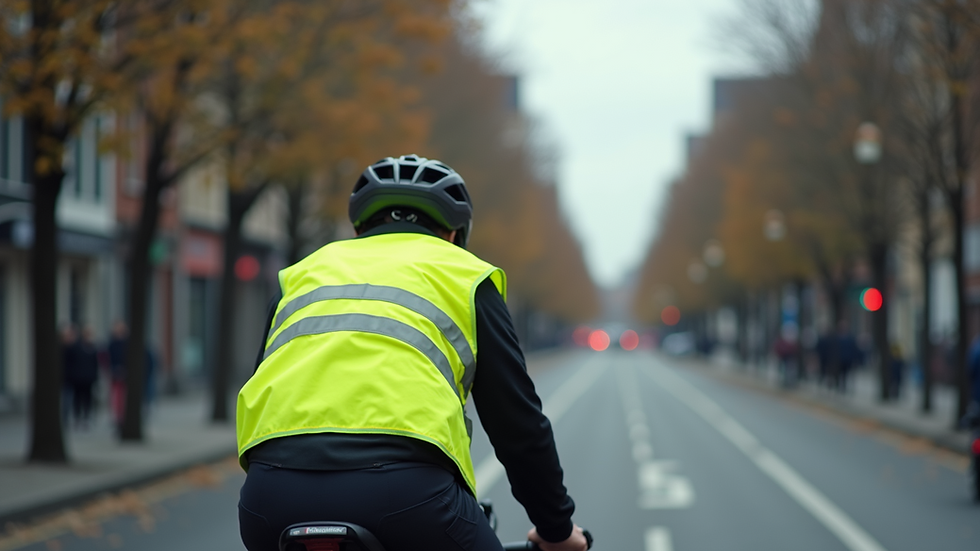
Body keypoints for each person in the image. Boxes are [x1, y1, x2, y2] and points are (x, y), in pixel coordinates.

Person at [236, 155, 588, 551]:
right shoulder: (464, 274)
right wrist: (556, 530)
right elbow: (517, 425)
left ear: (360, 228)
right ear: (454, 234)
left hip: (268, 500)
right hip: (408, 499)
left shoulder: (300, 275)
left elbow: (261, 378)